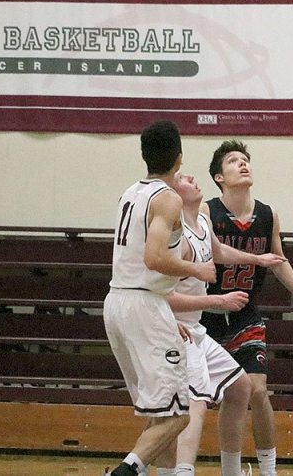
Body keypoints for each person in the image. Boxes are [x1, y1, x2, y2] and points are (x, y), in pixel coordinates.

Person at [202, 141, 293, 476]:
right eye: (233, 161)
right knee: (216, 398)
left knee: (257, 391)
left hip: (245, 316)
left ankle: (269, 470)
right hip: (206, 316)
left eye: (245, 160)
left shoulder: (268, 214)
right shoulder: (206, 212)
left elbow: (278, 259)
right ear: (219, 177)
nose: (242, 164)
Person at [102, 120, 217, 476]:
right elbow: (153, 258)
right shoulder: (167, 198)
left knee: (160, 413)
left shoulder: (129, 193)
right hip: (144, 304)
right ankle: (125, 471)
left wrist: (164, 319)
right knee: (178, 416)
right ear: (179, 157)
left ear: (144, 155)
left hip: (118, 301)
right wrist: (197, 269)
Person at [164, 171, 289, 476]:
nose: (190, 176)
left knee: (242, 387)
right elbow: (161, 296)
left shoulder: (202, 223)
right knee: (189, 405)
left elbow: (220, 252)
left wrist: (257, 260)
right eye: (182, 178)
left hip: (202, 327)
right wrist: (217, 300)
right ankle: (173, 470)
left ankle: (234, 472)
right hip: (177, 327)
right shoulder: (176, 236)